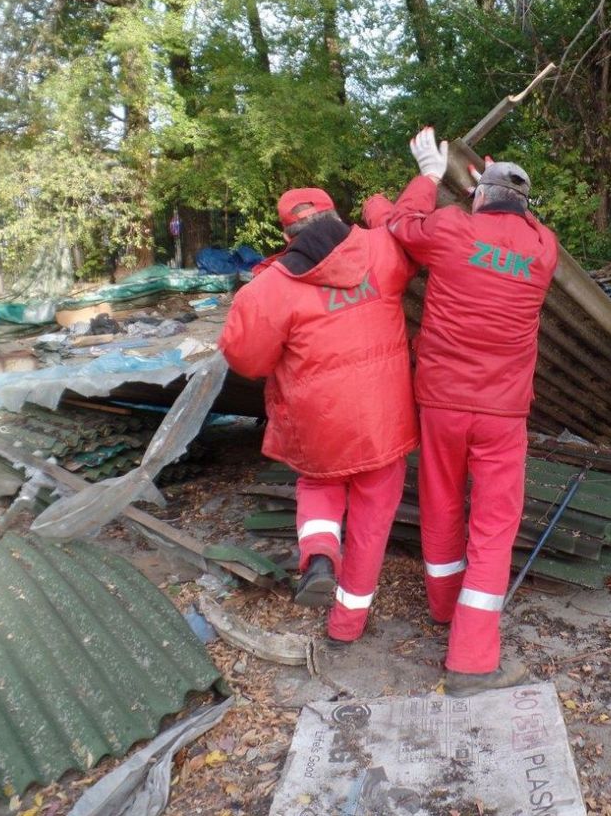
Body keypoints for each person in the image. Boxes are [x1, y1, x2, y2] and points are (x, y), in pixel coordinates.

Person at [366, 127, 559, 697]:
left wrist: (429, 177)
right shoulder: (543, 248)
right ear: (523, 204)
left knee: (442, 504)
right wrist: (491, 191)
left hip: (442, 402)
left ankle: (444, 609)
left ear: (479, 197)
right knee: (494, 527)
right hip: (503, 412)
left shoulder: (451, 228)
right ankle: (473, 660)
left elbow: (399, 223)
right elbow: (514, 224)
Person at [219, 187, 418, 645]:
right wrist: (386, 201)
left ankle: (320, 553)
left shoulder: (269, 287)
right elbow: (410, 231)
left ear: (286, 234)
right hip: (384, 422)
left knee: (318, 485)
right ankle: (347, 624)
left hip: (319, 421)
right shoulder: (381, 249)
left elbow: (247, 360)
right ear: (335, 215)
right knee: (371, 524)